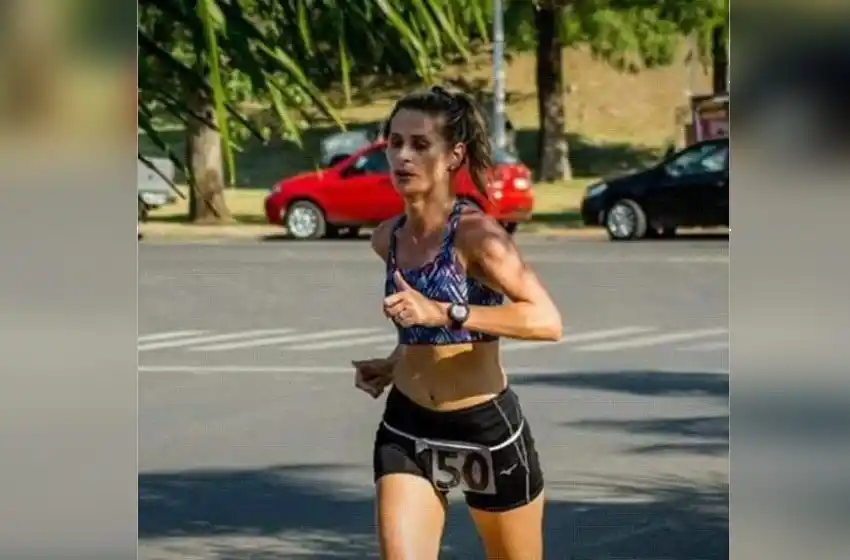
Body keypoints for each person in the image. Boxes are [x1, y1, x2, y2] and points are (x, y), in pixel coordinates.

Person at [352, 85, 563, 560]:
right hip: (409, 427)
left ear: (454, 156)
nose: (403, 156)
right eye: (395, 142)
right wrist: (393, 362)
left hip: (484, 429)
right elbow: (422, 328)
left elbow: (547, 320)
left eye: (420, 145)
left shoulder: (478, 237)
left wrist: (448, 312)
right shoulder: (388, 239)